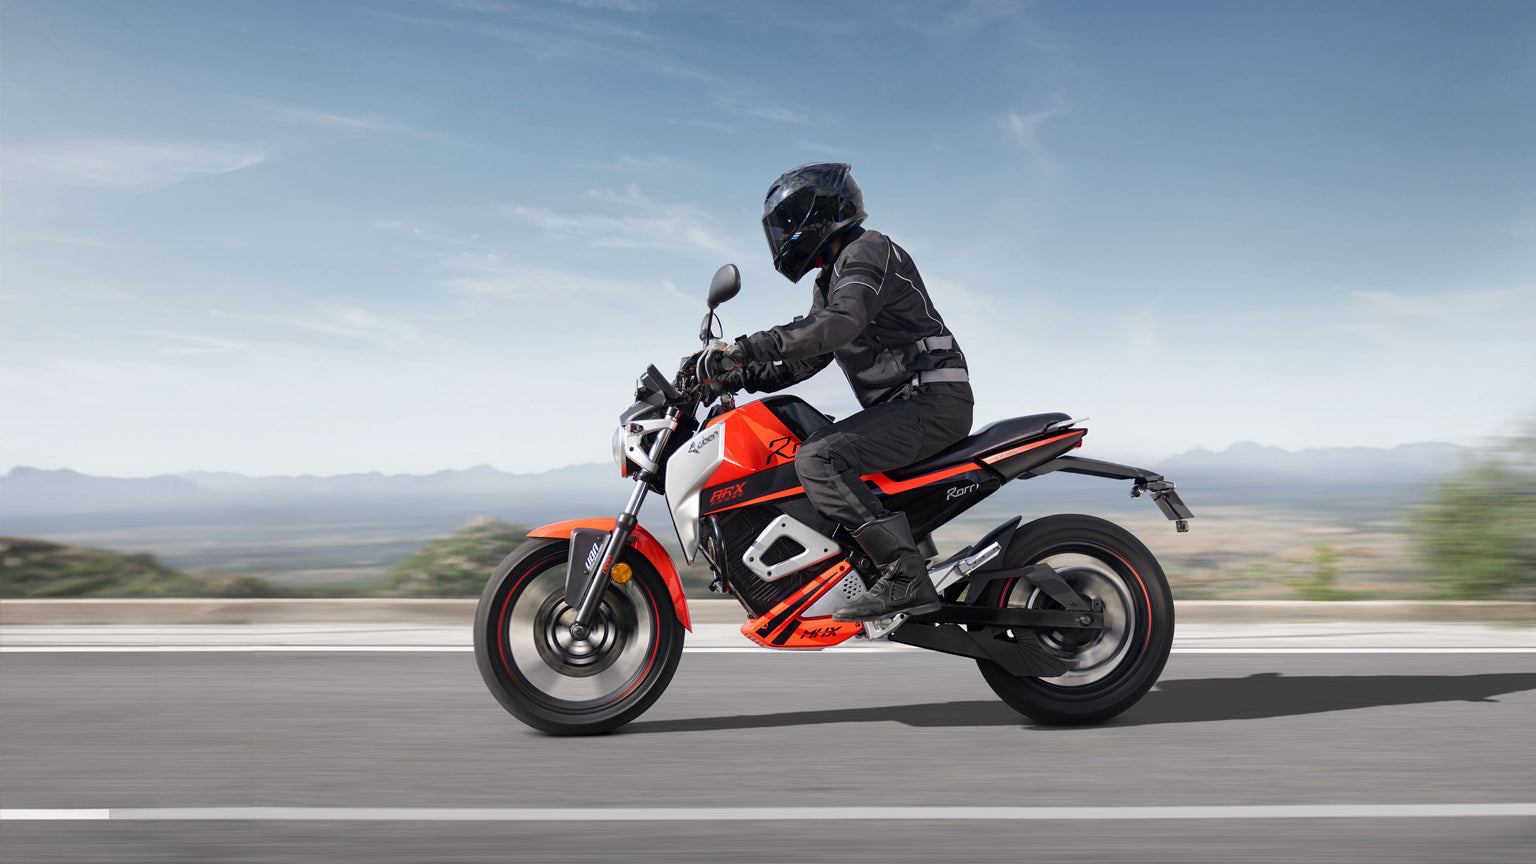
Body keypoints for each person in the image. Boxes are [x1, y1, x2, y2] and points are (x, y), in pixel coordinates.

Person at [718, 162, 973, 622]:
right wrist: (733, 376)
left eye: (789, 222)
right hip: (908, 407)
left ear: (821, 212)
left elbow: (839, 325)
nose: (785, 235)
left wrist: (746, 347)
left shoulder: (868, 251)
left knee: (819, 458)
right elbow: (806, 358)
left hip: (931, 402)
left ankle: (904, 574)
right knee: (808, 446)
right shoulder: (831, 278)